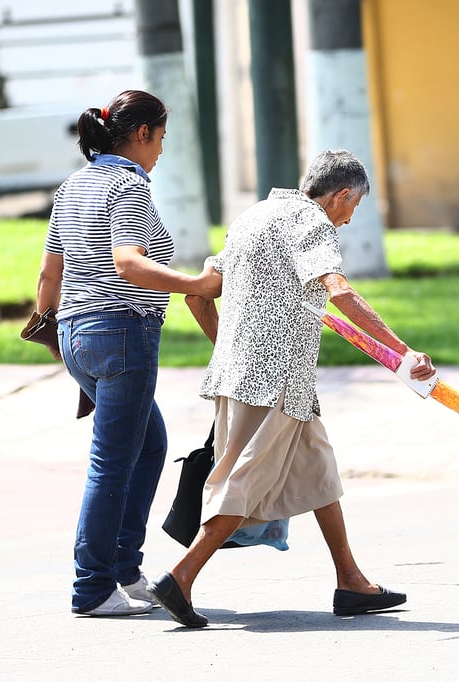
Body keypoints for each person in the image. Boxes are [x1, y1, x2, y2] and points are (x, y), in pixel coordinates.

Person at [146, 149, 436, 627]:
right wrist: (403, 353)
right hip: (275, 379)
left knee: (319, 469)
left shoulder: (253, 217)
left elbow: (198, 293)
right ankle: (180, 576)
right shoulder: (311, 222)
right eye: (354, 207)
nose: (348, 220)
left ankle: (351, 582)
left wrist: (231, 348)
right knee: (242, 481)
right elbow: (339, 291)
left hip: (253, 377)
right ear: (340, 195)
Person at [33, 89, 221, 617]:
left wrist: (51, 330)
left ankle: (123, 568)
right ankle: (92, 588)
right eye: (160, 138)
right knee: (111, 463)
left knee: (149, 444)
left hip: (76, 335)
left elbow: (51, 272)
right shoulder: (128, 187)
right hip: (121, 334)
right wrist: (197, 284)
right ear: (141, 134)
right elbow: (128, 264)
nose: (160, 150)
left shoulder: (73, 186)